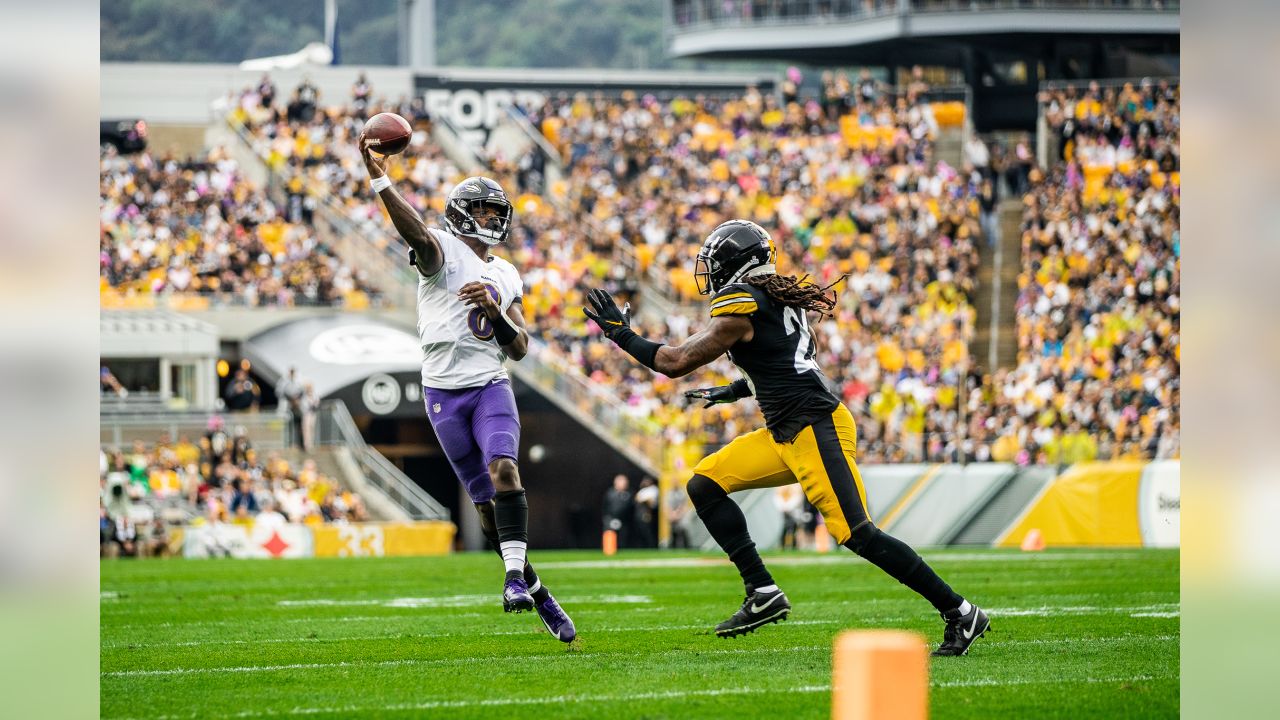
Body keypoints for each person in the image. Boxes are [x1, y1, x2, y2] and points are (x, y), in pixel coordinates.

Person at [584, 219, 988, 655]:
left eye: (716, 262)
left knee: (859, 534)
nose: (710, 271)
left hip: (815, 427)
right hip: (786, 432)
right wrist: (741, 387)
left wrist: (619, 333)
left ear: (738, 265)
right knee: (704, 483)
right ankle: (761, 589)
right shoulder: (775, 296)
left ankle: (961, 612)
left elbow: (675, 361)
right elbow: (788, 359)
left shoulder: (746, 303)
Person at [357, 130, 575, 643]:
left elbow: (519, 346)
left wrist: (494, 309)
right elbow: (416, 235)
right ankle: (536, 589)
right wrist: (378, 175)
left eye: (493, 212)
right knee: (484, 508)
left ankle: (513, 579)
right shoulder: (442, 252)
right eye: (479, 211)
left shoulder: (506, 272)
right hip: (441, 392)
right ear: (459, 213)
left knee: (504, 469)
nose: (489, 220)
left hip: (488, 384)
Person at [276, 367, 306, 448]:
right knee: (288, 427)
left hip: (297, 407)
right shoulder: (283, 381)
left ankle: (301, 444)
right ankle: (288, 445)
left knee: (299, 426)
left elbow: (302, 391)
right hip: (288, 407)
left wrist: (297, 399)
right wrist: (291, 399)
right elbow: (280, 392)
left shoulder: (299, 381)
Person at [602, 474, 634, 548]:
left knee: (623, 538)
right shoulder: (610, 493)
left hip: (624, 520)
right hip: (610, 519)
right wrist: (608, 519)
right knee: (610, 536)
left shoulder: (629, 493)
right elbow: (605, 507)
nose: (625, 483)